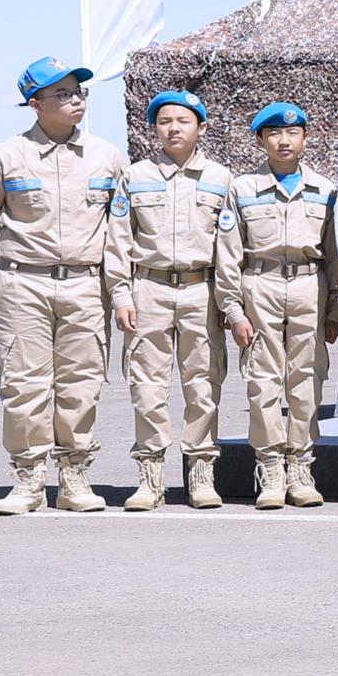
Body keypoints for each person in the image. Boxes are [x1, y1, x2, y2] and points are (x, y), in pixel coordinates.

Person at [0, 58, 127, 515]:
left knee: (82, 382)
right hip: (23, 284)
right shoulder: (5, 156)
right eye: (63, 93)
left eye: (79, 92)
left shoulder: (106, 156)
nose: (76, 100)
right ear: (35, 104)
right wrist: (13, 257)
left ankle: (74, 475)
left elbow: (120, 226)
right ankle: (28, 479)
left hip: (85, 284)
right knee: (24, 382)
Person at [109, 90, 238, 511]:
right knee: (147, 385)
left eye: (183, 121)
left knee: (203, 384)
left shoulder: (220, 178)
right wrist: (121, 294)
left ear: (201, 127)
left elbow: (230, 246)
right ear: (154, 129)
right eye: (164, 121)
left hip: (203, 290)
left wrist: (228, 300)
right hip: (149, 288)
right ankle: (150, 479)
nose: (173, 129)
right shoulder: (136, 176)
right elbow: (118, 241)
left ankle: (201, 473)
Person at [228, 102, 338, 510]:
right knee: (262, 379)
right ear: (260, 140)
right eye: (273, 133)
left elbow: (333, 254)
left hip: (309, 283)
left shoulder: (324, 190)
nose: (283, 140)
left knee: (307, 378)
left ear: (306, 138)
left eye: (292, 132)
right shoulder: (242, 189)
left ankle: (302, 465)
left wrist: (334, 310)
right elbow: (228, 254)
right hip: (261, 282)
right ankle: (271, 466)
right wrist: (233, 310)